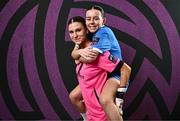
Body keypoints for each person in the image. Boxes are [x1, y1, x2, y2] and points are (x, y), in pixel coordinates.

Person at [69, 5, 131, 121]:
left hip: (118, 74)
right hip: (109, 73)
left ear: (104, 20)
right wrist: (77, 52)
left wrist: (120, 97)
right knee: (74, 96)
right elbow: (79, 54)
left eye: (96, 18)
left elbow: (91, 58)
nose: (92, 22)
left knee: (105, 100)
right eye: (88, 19)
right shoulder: (92, 37)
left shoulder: (104, 33)